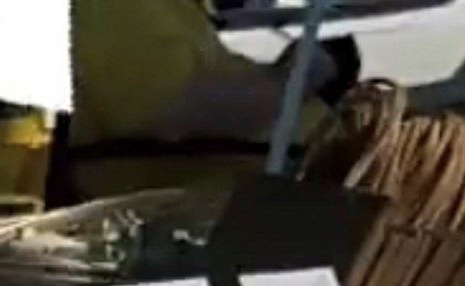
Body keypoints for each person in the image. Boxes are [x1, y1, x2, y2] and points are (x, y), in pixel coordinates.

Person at [61, 0, 361, 204]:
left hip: (289, 186)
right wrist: (301, 75)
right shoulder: (112, 9)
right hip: (231, 214)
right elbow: (182, 112)